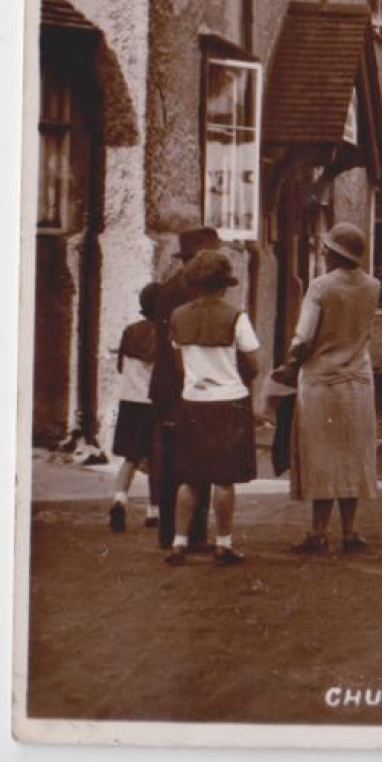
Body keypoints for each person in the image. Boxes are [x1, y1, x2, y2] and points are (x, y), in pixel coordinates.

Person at [286, 224, 382, 556]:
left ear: (334, 253)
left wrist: (289, 363)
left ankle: (318, 532)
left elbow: (303, 338)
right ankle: (351, 530)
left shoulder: (321, 287)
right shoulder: (373, 286)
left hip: (321, 381)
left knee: (322, 456)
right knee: (353, 454)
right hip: (358, 380)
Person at [163, 250, 260, 566]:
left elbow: (179, 365)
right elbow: (254, 363)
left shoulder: (178, 316)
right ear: (223, 285)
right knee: (223, 478)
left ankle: (179, 542)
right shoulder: (235, 317)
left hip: (192, 401)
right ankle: (224, 542)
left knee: (189, 478)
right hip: (228, 403)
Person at [148, 225, 223, 551]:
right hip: (179, 388)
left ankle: (187, 533)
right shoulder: (180, 296)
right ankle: (181, 534)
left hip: (181, 385)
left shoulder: (177, 290)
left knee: (188, 461)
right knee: (184, 462)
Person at [108, 283, 162, 533]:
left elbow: (121, 366)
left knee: (131, 457)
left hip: (129, 400)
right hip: (154, 403)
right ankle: (154, 510)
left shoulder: (130, 331)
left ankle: (119, 498)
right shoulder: (164, 333)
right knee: (156, 459)